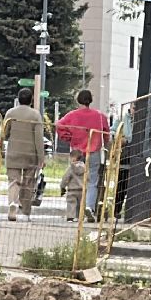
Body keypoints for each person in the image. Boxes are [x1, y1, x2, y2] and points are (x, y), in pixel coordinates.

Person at [55, 90, 110, 220]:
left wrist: (67, 137)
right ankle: (89, 207)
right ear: (90, 100)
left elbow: (59, 125)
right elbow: (106, 134)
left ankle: (75, 212)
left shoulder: (72, 115)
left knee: (76, 180)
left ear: (78, 100)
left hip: (77, 152)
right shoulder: (100, 116)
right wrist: (106, 144)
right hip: (94, 151)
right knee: (92, 181)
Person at [2, 87, 47, 221]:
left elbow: (4, 133)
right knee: (28, 183)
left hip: (13, 152)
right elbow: (39, 138)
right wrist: (41, 158)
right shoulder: (35, 115)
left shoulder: (10, 113)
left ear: (18, 99)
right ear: (31, 100)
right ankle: (26, 211)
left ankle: (12, 204)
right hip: (30, 154)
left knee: (13, 181)